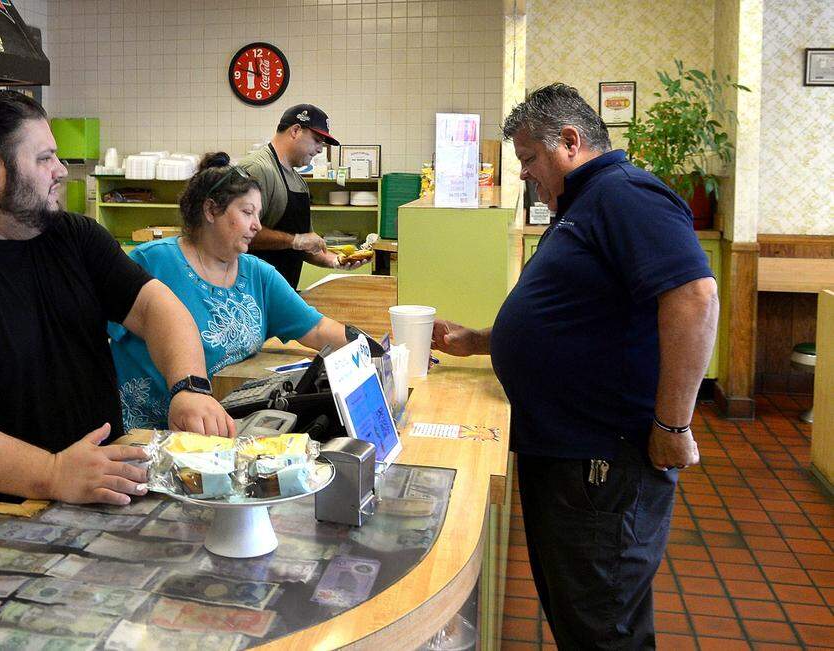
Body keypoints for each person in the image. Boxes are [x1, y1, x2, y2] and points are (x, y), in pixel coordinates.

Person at [431, 84, 718, 649]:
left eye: (528, 159)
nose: (523, 175)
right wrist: (482, 341)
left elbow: (694, 296)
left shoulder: (625, 194)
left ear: (568, 141)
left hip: (603, 462)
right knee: (580, 613)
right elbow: (580, 315)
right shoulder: (586, 203)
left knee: (603, 623)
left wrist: (673, 426)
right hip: (569, 455)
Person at [0, 90, 235, 506]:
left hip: (88, 500)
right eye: (44, 158)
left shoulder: (73, 237)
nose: (61, 171)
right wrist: (50, 473)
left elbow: (154, 306)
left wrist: (190, 386)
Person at [109, 152, 350, 430]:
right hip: (141, 433)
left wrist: (376, 354)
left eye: (258, 214)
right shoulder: (152, 262)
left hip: (220, 432)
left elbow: (318, 329)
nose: (257, 225)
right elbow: (93, 338)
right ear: (211, 210)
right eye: (247, 212)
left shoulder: (258, 275)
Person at [241, 103, 369, 288]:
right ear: (295, 130)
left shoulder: (298, 182)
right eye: (317, 140)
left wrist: (335, 260)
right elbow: (239, 232)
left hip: (282, 292)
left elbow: (304, 245)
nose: (319, 150)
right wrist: (295, 241)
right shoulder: (258, 169)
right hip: (250, 290)